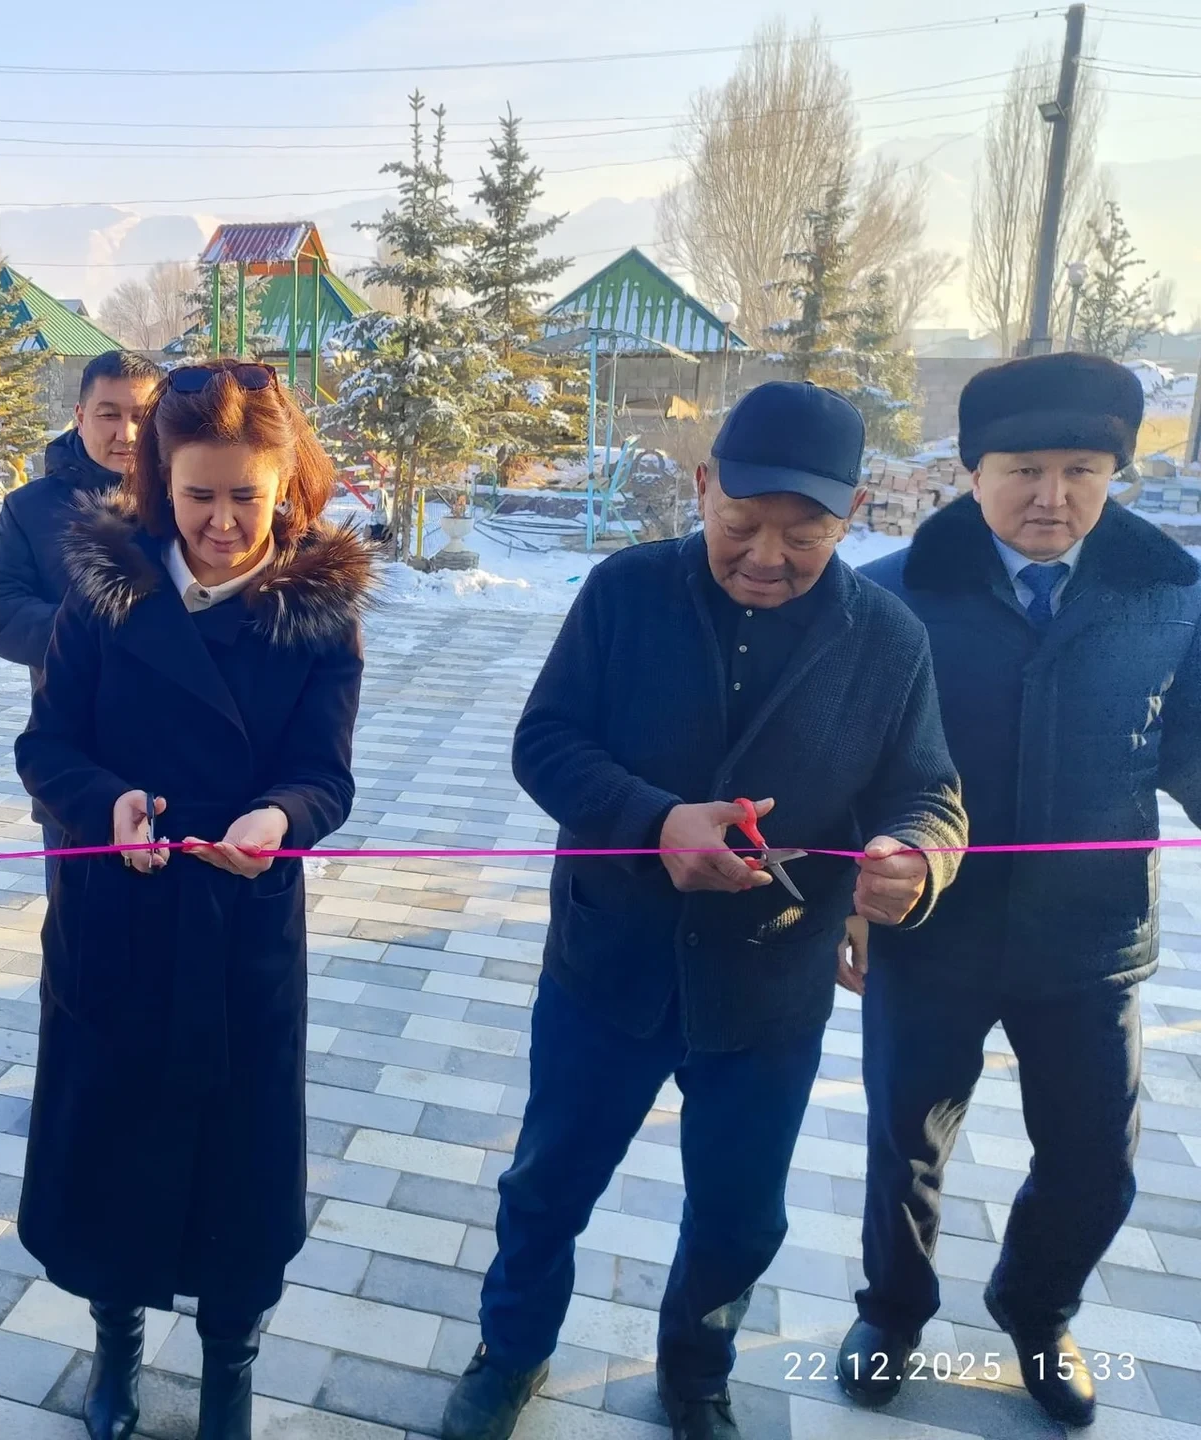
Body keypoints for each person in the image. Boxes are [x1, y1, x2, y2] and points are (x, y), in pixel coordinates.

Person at [441, 381, 969, 1440]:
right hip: (609, 964)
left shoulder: (887, 639)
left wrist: (917, 859)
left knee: (740, 1214)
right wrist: (653, 822)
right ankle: (513, 1348)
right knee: (547, 1185)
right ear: (701, 487)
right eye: (741, 523)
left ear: (854, 513)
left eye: (804, 534)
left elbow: (929, 792)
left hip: (768, 987)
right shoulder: (625, 592)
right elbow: (545, 742)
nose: (767, 555)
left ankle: (697, 1368)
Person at [838, 353, 1201, 1427]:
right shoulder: (893, 594)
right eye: (1024, 470)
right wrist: (853, 896)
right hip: (932, 928)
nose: (1053, 497)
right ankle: (892, 1312)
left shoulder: (1170, 594)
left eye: (1082, 470)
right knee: (905, 1145)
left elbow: (1191, 749)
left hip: (1093, 938)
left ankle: (1038, 1309)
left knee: (1095, 1161)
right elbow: (848, 763)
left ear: (1115, 473)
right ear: (973, 472)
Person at [14, 359, 372, 1440]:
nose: (221, 522)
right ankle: (115, 1343)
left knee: (237, 1173)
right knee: (114, 1154)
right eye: (198, 495)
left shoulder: (316, 609)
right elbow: (46, 746)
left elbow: (325, 776)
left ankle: (230, 1371)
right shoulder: (104, 590)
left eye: (244, 497)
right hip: (115, 919)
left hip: (240, 926)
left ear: (285, 486)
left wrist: (280, 818)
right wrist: (106, 803)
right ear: (159, 484)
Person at [0, 350, 163, 882]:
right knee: (81, 920)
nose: (126, 432)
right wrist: (85, 639)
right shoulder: (31, 509)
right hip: (75, 754)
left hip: (181, 756)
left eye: (141, 415)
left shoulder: (185, 499)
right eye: (109, 413)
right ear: (79, 416)